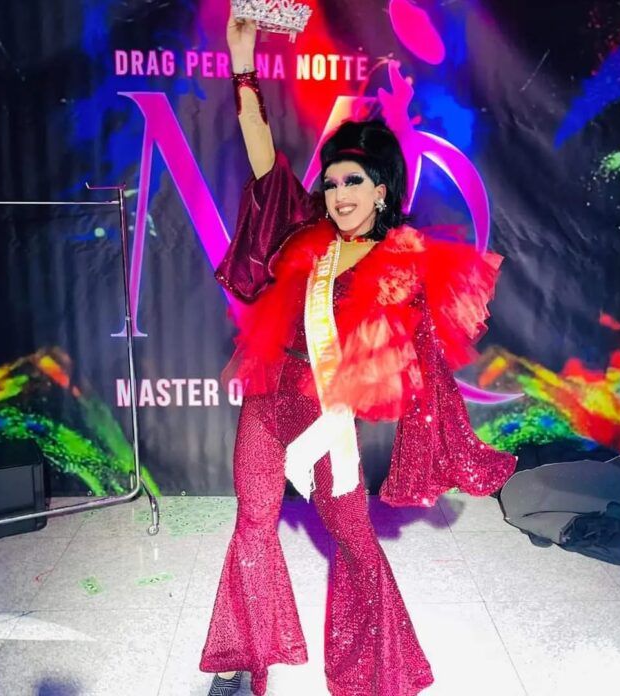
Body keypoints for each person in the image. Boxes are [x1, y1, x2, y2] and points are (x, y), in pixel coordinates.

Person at [199, 8, 516, 696]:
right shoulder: (305, 231)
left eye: (354, 182)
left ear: (382, 189)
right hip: (268, 401)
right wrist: (242, 62)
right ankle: (245, 661)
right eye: (333, 181)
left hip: (327, 422)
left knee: (353, 537)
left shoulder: (404, 260)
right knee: (252, 521)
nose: (339, 194)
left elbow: (416, 360)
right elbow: (262, 152)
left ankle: (379, 668)